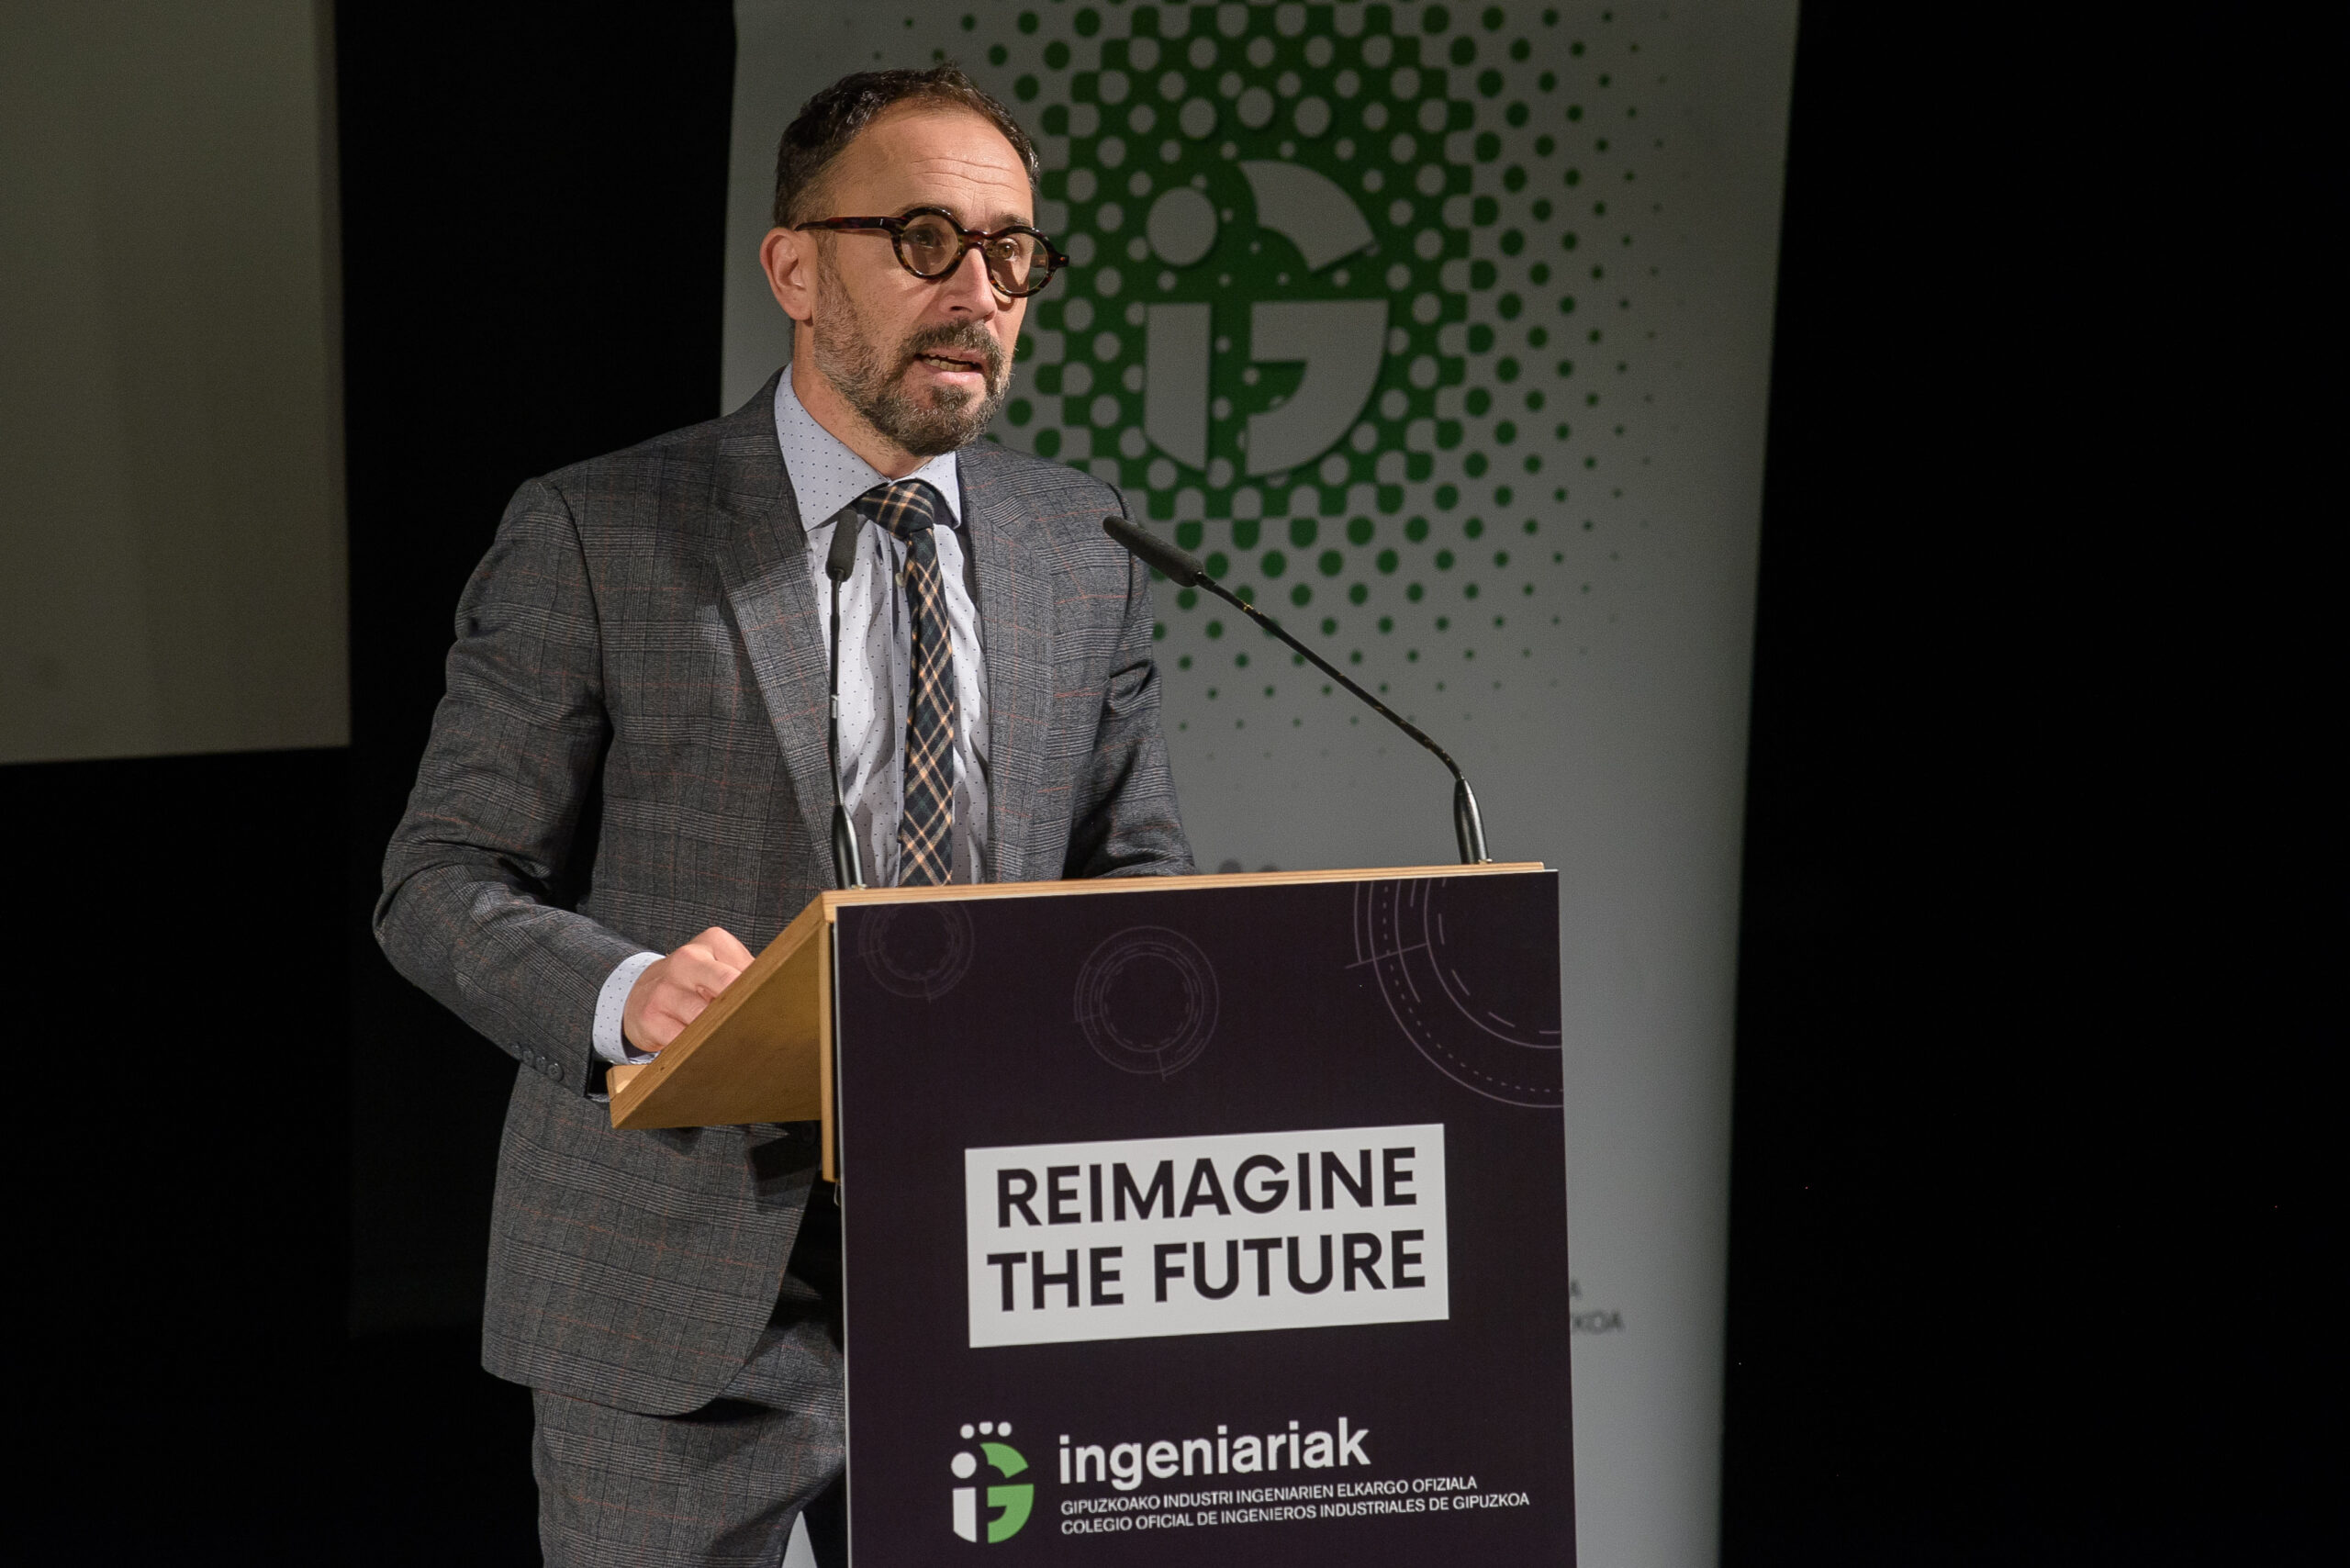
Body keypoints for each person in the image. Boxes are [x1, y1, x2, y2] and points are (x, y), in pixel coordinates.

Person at [375, 64, 1192, 1567]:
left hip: (1003, 1270)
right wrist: (629, 996)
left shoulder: (1078, 542)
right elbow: (438, 883)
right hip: (681, 1286)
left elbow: (1132, 870)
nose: (979, 292)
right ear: (797, 269)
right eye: (927, 241)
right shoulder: (600, 530)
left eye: (1013, 253)